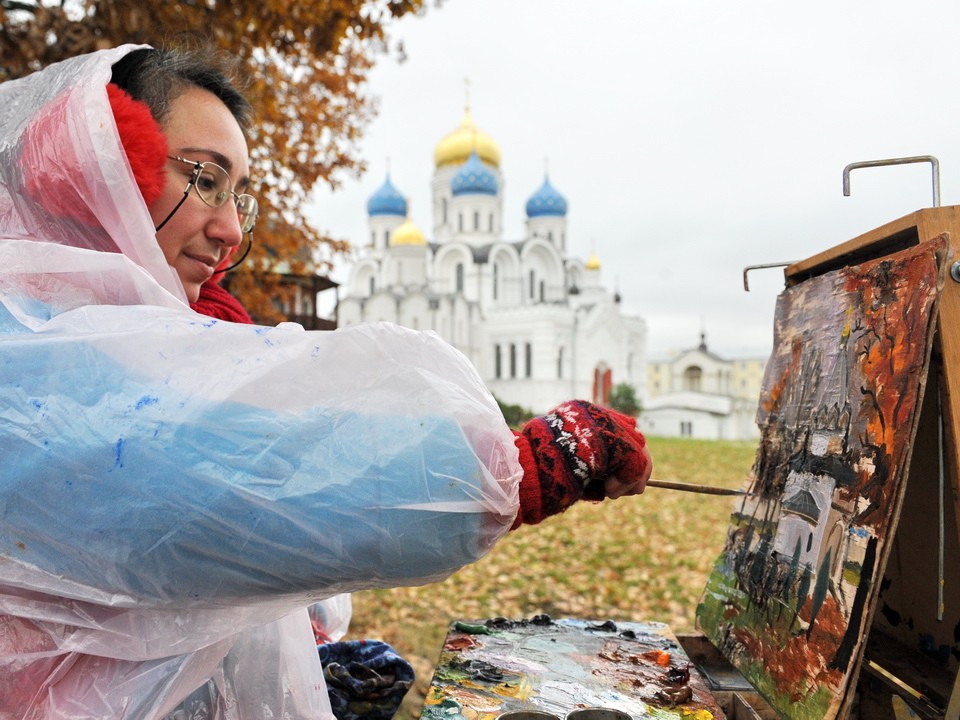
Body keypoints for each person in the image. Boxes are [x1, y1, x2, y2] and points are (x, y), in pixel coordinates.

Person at [0, 41, 652, 720]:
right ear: (92, 169)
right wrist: (526, 464)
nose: (228, 231)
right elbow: (249, 478)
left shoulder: (101, 327)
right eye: (203, 179)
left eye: (238, 198)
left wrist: (289, 640)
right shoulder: (35, 353)